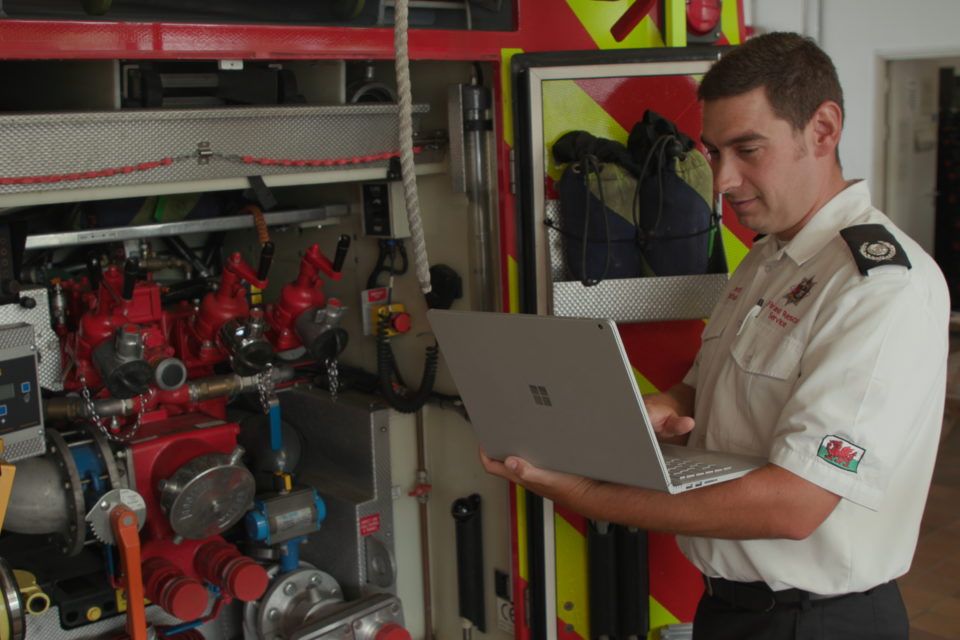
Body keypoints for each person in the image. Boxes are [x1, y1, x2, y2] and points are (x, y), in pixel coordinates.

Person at [481, 32, 950, 640]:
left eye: (748, 149)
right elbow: (704, 389)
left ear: (823, 129)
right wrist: (647, 413)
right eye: (714, 151)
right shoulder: (766, 259)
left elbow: (794, 504)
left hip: (817, 622)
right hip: (731, 611)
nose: (723, 179)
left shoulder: (878, 288)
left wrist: (588, 495)